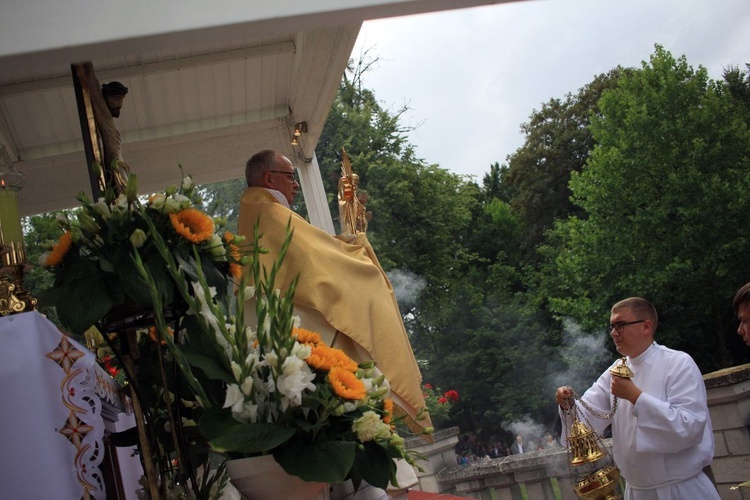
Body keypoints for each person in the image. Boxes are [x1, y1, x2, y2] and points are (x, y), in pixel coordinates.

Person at [237, 149, 430, 431]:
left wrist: (342, 244)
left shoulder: (256, 212)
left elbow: (310, 254)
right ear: (269, 178)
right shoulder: (268, 213)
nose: (295, 185)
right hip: (298, 328)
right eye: (290, 177)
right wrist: (355, 253)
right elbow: (318, 265)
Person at [555, 297, 719, 499]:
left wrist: (635, 396)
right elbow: (587, 417)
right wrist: (568, 404)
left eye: (620, 325)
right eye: (612, 327)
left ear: (646, 326)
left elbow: (689, 426)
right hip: (638, 491)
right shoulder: (614, 372)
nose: (614, 333)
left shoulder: (678, 363)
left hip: (682, 489)